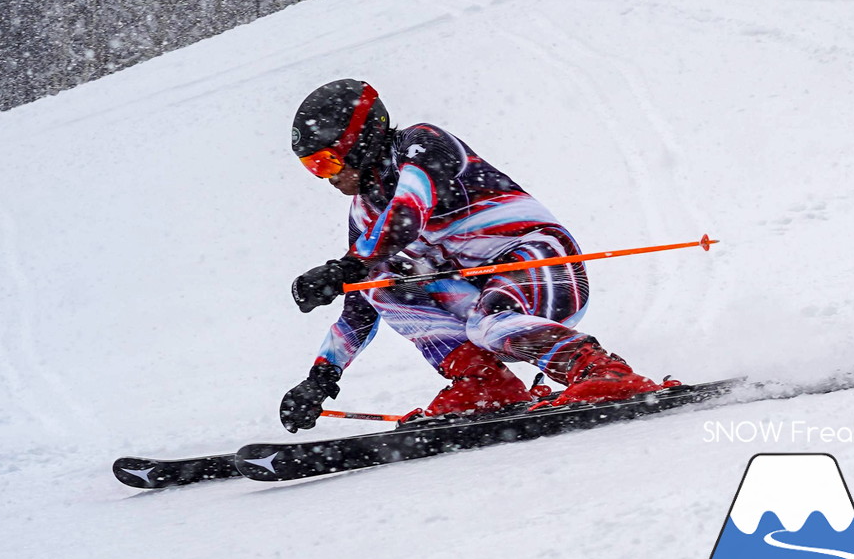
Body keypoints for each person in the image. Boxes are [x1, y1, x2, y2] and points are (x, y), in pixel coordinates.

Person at [279, 78, 675, 433]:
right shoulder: (365, 212)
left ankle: (602, 371)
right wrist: (321, 377)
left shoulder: (424, 144)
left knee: (485, 322)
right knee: (379, 286)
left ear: (360, 142)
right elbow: (359, 303)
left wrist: (342, 267)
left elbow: (408, 213)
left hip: (543, 265)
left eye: (327, 161)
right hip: (481, 291)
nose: (327, 178)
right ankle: (484, 384)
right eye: (313, 168)